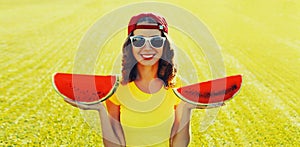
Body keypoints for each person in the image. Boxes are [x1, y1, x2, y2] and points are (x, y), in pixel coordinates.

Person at [65, 12, 195, 147]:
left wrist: (187, 108)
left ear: (165, 46)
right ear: (130, 45)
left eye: (156, 41)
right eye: (139, 40)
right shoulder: (116, 88)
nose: (147, 48)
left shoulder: (177, 87)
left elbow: (178, 145)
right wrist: (99, 109)